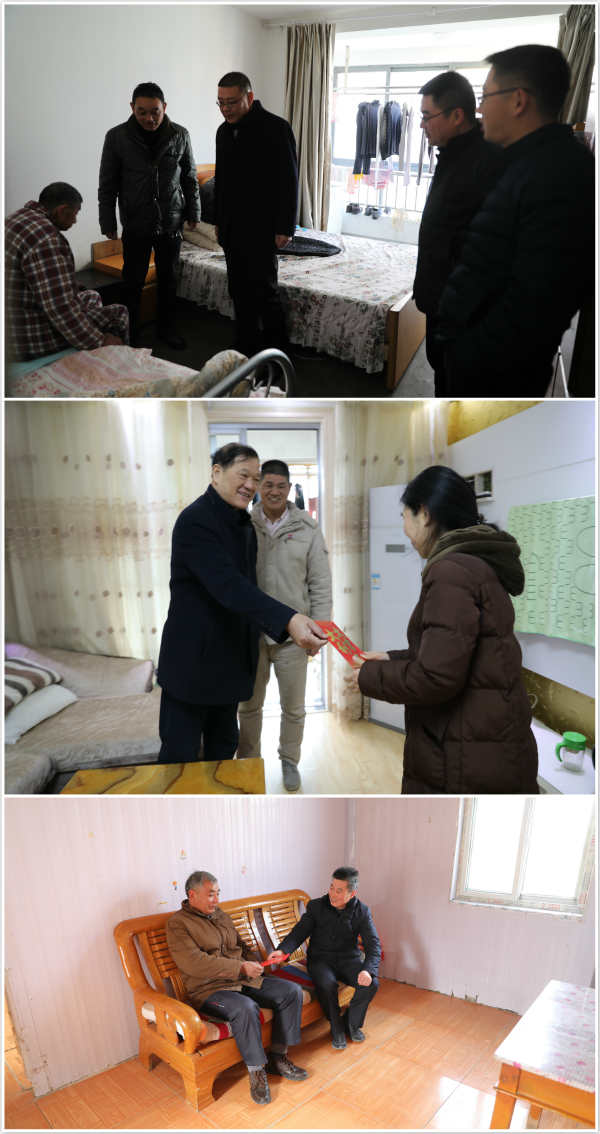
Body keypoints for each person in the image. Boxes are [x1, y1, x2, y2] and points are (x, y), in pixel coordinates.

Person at [347, 466, 538, 794]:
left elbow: (436, 678)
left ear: (424, 514)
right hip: (488, 739)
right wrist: (391, 658)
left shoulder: (451, 571)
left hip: (466, 752)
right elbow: (454, 651)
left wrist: (369, 677)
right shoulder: (476, 562)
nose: (404, 529)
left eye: (404, 516)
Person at [435, 45, 595, 395]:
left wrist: (465, 351)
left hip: (494, 376)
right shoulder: (524, 162)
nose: (480, 108)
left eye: (486, 96)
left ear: (518, 100)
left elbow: (534, 306)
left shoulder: (559, 175)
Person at [156, 444, 327, 762]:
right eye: (243, 475)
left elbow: (253, 585)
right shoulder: (196, 521)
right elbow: (230, 587)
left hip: (230, 664)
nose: (250, 485)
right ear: (217, 473)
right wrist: (289, 619)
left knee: (223, 753)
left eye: (255, 477)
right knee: (180, 759)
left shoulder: (243, 524)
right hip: (192, 667)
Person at [167, 872, 308, 1105]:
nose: (216, 899)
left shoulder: (220, 915)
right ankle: (256, 1071)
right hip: (209, 989)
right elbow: (194, 963)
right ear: (192, 895)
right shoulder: (178, 924)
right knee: (246, 1008)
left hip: (243, 979)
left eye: (218, 893)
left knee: (290, 992)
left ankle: (278, 1057)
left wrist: (257, 964)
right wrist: (240, 967)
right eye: (210, 894)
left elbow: (240, 946)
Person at [237, 460, 332, 792]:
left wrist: (319, 632)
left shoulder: (307, 527)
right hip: (251, 635)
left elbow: (320, 584)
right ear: (258, 487)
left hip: (294, 636)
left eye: (281, 486)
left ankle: (289, 760)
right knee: (249, 706)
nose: (274, 491)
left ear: (289, 489)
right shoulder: (243, 524)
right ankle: (248, 762)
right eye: (268, 485)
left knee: (294, 707)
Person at [412, 71, 505, 396]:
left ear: (456, 116)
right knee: (444, 378)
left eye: (427, 116)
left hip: (461, 315)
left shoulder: (486, 163)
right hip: (442, 303)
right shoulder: (453, 155)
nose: (422, 125)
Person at [98, 81, 200, 348]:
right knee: (132, 281)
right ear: (132, 108)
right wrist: (107, 221)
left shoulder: (180, 134)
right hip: (136, 220)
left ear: (164, 107)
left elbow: (189, 177)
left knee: (169, 279)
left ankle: (167, 330)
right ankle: (130, 334)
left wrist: (194, 211)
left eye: (155, 111)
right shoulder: (117, 137)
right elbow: (107, 183)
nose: (149, 118)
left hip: (171, 220)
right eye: (142, 112)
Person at [214, 71, 298, 359]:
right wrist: (218, 222)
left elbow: (289, 180)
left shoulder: (276, 128)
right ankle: (245, 344)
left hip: (262, 226)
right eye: (221, 102)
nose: (226, 109)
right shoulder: (223, 132)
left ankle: (277, 353)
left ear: (249, 97)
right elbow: (222, 182)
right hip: (231, 227)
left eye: (232, 102)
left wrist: (285, 226)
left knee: (265, 292)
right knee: (238, 290)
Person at [5, 182, 128, 362]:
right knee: (119, 312)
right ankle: (118, 364)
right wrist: (100, 340)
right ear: (62, 210)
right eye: (75, 214)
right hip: (26, 337)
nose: (75, 221)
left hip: (13, 316)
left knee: (91, 295)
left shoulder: (16, 219)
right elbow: (60, 309)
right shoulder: (46, 239)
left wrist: (70, 285)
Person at [267, 867, 381, 1049]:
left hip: (348, 960)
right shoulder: (316, 906)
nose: (333, 894)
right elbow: (298, 932)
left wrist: (367, 970)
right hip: (320, 960)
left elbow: (373, 946)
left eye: (339, 891)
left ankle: (351, 1023)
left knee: (371, 983)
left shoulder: (362, 911)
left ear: (352, 893)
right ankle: (336, 1026)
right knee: (328, 985)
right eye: (331, 887)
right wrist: (283, 951)